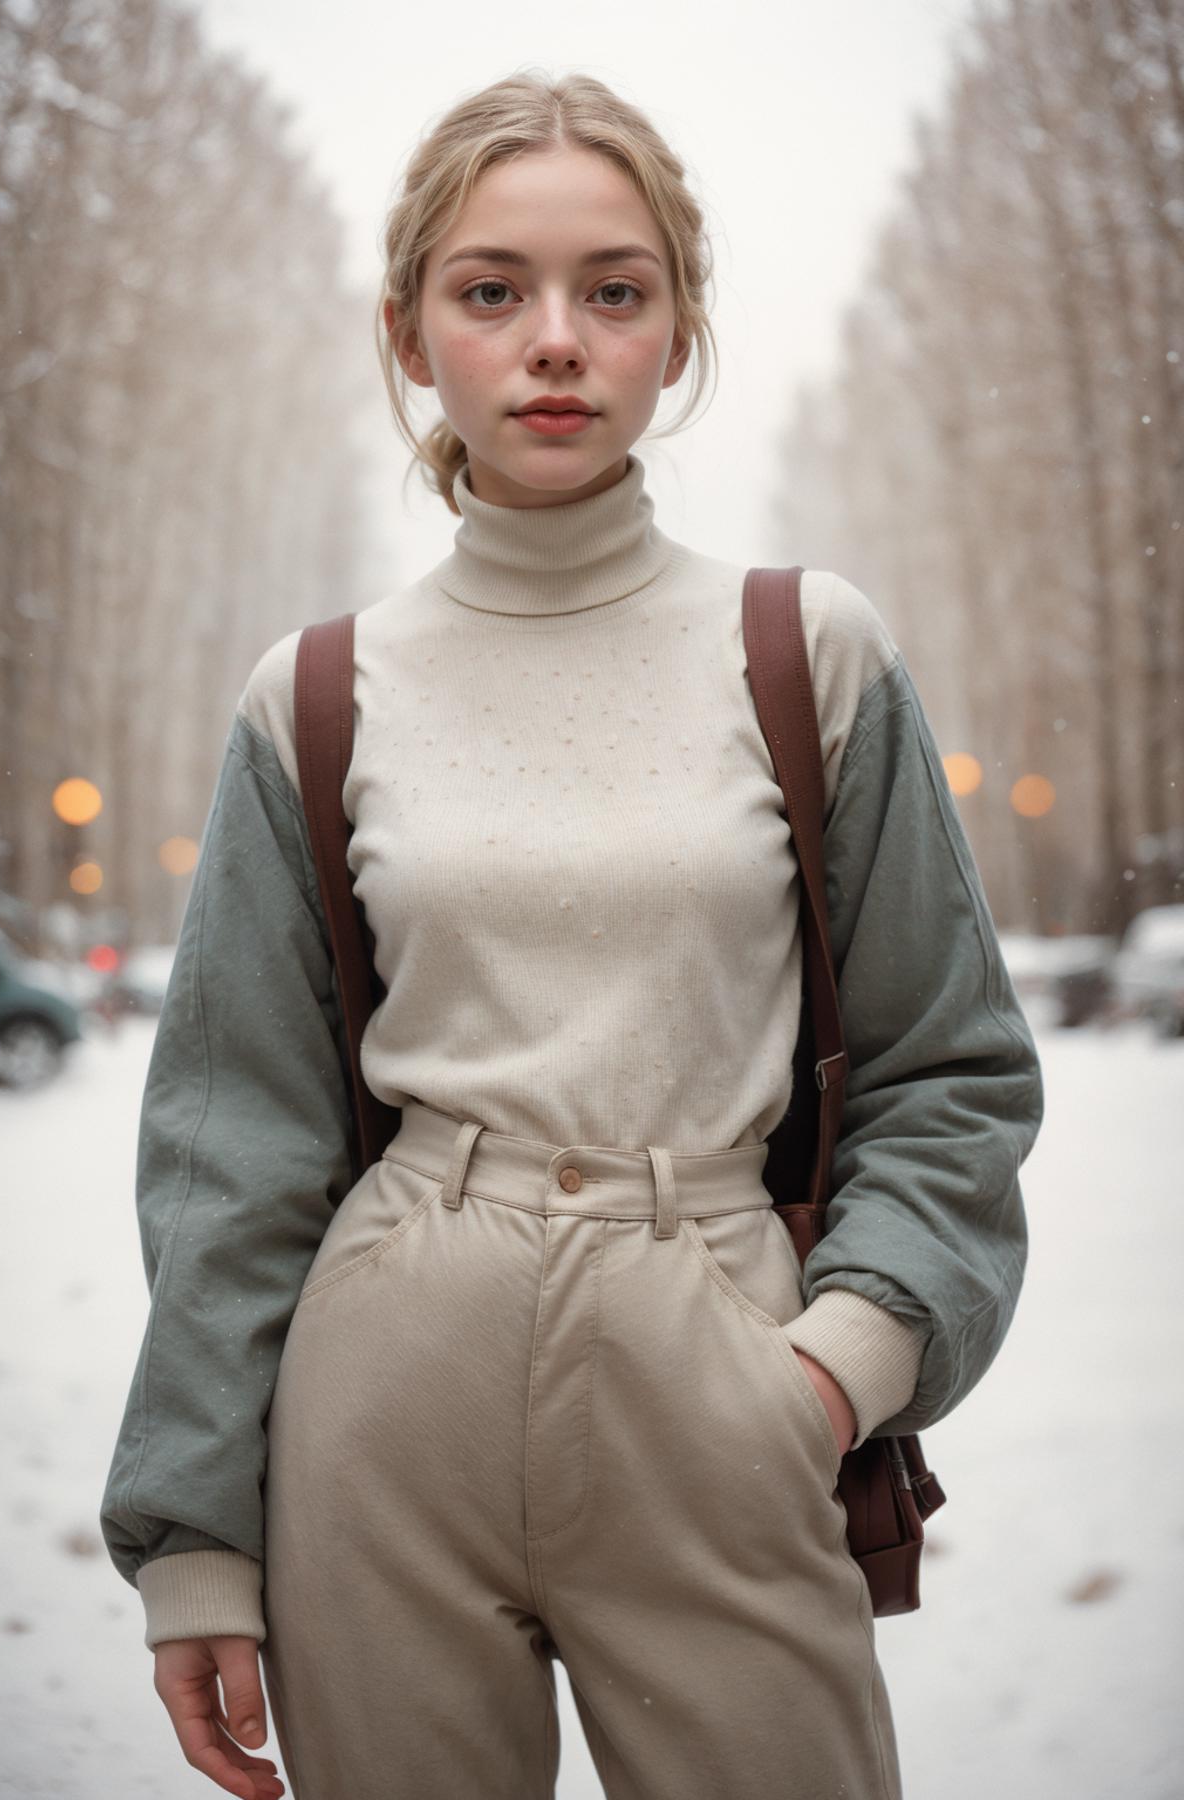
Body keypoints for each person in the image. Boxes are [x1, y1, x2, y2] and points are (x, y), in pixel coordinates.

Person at [99, 67, 1044, 1800]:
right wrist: (194, 1542)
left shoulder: (806, 654)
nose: (555, 339)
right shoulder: (314, 697)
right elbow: (234, 1149)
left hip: (724, 1372)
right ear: (408, 333)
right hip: (383, 1397)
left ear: (677, 332)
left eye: (614, 290)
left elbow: (952, 1070)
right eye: (492, 290)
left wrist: (839, 1372)